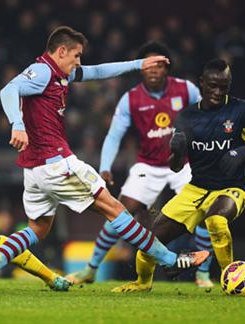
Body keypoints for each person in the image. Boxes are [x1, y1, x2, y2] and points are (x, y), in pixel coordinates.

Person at [0, 26, 210, 292]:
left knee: (38, 228)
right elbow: (8, 89)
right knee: (115, 208)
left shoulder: (60, 74)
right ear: (61, 51)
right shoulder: (42, 71)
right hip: (56, 163)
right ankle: (169, 260)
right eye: (76, 55)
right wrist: (17, 124)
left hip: (35, 169)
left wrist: (138, 64)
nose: (78, 62)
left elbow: (98, 71)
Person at [112, 58, 245, 292]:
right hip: (195, 189)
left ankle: (229, 278)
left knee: (216, 220)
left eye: (223, 86)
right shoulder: (187, 118)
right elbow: (175, 167)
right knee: (149, 242)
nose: (217, 92)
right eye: (212, 86)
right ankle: (142, 283)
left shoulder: (242, 110)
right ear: (201, 83)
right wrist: (176, 151)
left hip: (230, 189)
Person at [66, 41, 214, 290]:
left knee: (205, 210)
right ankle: (91, 269)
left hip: (185, 162)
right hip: (149, 165)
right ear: (141, 69)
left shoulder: (186, 90)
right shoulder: (131, 99)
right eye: (148, 65)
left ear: (166, 67)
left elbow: (207, 117)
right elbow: (114, 135)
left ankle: (203, 273)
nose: (153, 70)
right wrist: (105, 166)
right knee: (120, 211)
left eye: (158, 64)